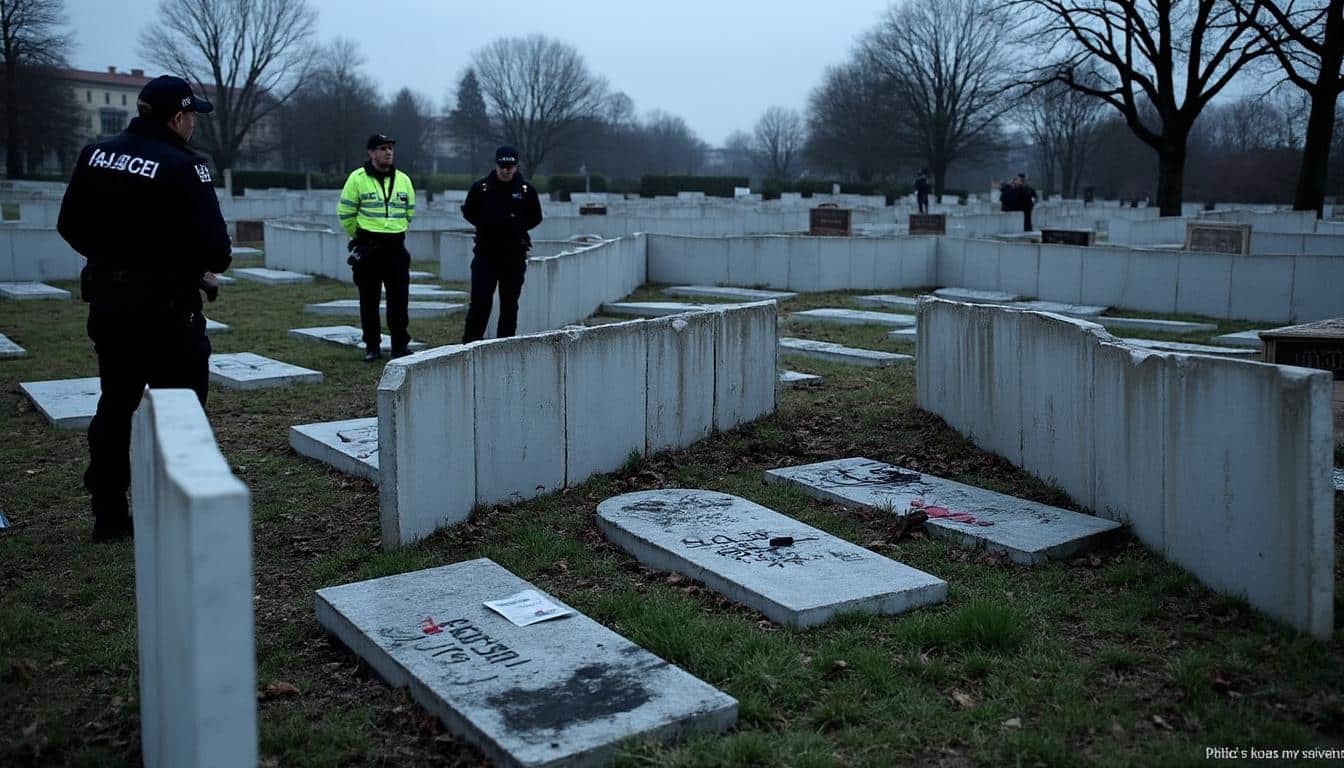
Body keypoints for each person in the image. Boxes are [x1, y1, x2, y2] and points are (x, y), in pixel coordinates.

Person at [57, 74, 232, 542]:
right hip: (167, 310)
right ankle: (176, 507)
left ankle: (109, 512)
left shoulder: (96, 153)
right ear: (178, 117)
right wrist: (180, 267)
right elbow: (216, 249)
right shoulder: (183, 164)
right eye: (191, 115)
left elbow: (69, 224)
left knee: (116, 405)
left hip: (111, 304)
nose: (192, 123)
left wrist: (116, 260)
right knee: (181, 410)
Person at [337, 133, 416, 362]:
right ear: (371, 153)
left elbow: (409, 212)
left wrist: (394, 229)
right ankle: (372, 346)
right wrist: (360, 237)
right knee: (369, 300)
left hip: (396, 247)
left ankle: (400, 344)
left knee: (399, 300)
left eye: (390, 147)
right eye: (382, 148)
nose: (388, 152)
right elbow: (346, 212)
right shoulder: (357, 179)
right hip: (369, 247)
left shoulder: (403, 179)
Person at [460, 145, 543, 343]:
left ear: (516, 166)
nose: (506, 170)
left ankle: (504, 346)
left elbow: (535, 216)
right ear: (496, 164)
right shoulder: (481, 188)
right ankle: (470, 345)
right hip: (486, 254)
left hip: (513, 256)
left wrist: (516, 229)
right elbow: (469, 212)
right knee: (480, 302)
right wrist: (487, 226)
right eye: (502, 166)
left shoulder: (526, 191)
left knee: (509, 304)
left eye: (510, 166)